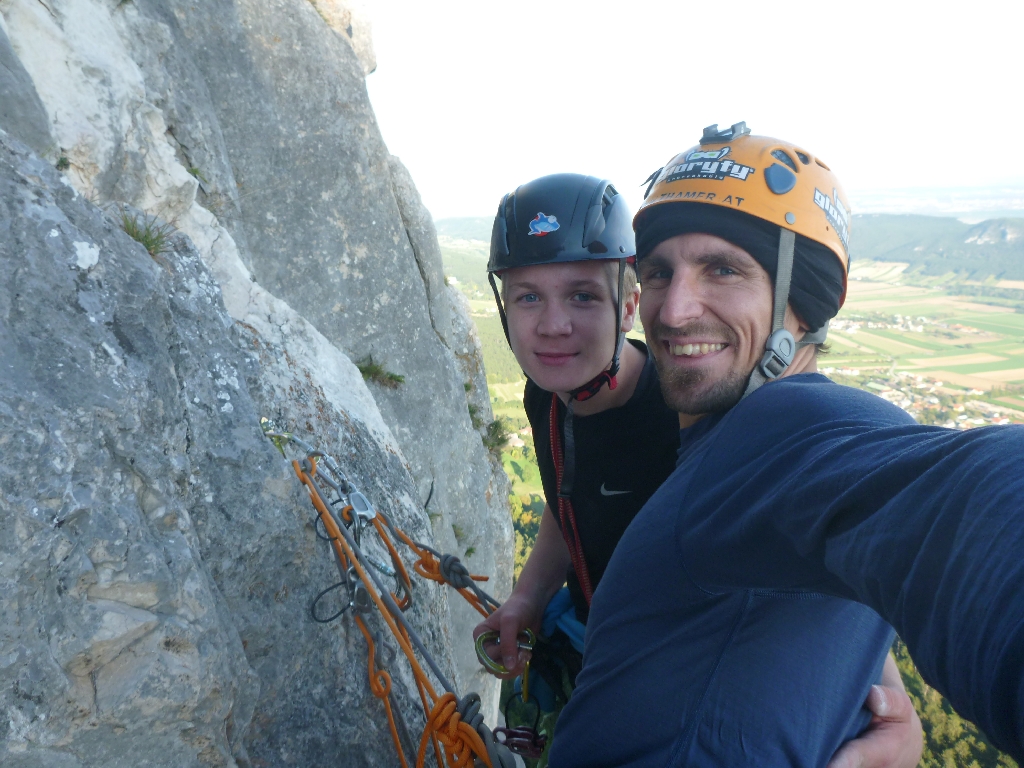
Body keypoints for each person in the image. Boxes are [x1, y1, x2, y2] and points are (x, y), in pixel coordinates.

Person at [547, 122, 1024, 766]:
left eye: (723, 269)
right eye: (658, 272)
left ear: (802, 303)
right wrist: (878, 686)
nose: (674, 310)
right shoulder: (717, 440)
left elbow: (977, 511)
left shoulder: (790, 427)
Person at [476, 172, 921, 767]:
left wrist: (893, 701)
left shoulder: (690, 415)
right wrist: (529, 597)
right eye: (528, 297)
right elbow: (567, 496)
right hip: (599, 645)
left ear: (628, 305)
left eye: (582, 296)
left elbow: (815, 538)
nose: (553, 325)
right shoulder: (549, 395)